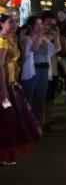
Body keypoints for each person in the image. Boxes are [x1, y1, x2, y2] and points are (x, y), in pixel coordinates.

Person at [0, 14, 41, 164]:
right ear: (1, 24)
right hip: (3, 86)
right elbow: (0, 67)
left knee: (11, 119)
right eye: (10, 21)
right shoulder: (2, 41)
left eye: (16, 21)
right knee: (6, 119)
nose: (15, 24)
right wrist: (3, 92)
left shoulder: (12, 39)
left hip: (12, 84)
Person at [19, 16, 54, 128]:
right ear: (30, 26)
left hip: (44, 70)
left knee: (40, 99)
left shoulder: (44, 38)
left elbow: (55, 50)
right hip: (33, 70)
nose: (40, 26)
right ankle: (28, 127)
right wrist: (40, 35)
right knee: (29, 98)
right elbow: (34, 49)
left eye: (41, 24)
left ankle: (39, 127)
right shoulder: (26, 38)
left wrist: (56, 36)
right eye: (37, 24)